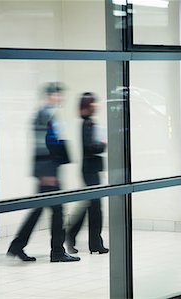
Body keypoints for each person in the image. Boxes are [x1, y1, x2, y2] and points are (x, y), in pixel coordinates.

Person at [7, 82, 80, 263]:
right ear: (49, 96)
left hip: (48, 170)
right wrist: (47, 172)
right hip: (48, 171)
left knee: (40, 209)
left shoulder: (48, 114)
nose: (60, 98)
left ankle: (17, 246)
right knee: (57, 210)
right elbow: (42, 146)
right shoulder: (44, 115)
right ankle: (57, 252)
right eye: (57, 94)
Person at [66, 92, 109, 255]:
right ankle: (94, 243)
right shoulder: (87, 124)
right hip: (90, 170)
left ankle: (74, 236)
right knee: (95, 208)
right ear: (87, 106)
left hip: (91, 170)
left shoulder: (89, 123)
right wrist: (103, 144)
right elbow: (89, 147)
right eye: (93, 103)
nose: (96, 106)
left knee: (90, 207)